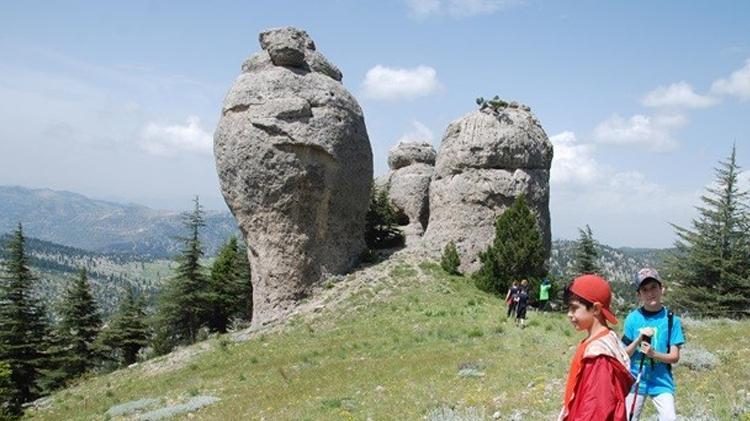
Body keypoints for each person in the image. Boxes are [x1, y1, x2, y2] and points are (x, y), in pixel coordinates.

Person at [559, 274, 633, 421]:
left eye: (574, 308)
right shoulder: (606, 338)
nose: (569, 314)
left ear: (596, 309)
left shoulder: (599, 356)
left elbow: (595, 411)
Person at [622, 268, 684, 421]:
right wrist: (638, 340)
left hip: (661, 381)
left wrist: (653, 354)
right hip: (635, 380)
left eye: (654, 287)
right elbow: (623, 354)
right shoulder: (632, 319)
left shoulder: (672, 320)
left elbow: (675, 357)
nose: (650, 293)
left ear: (661, 288)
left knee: (669, 418)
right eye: (645, 289)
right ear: (639, 295)